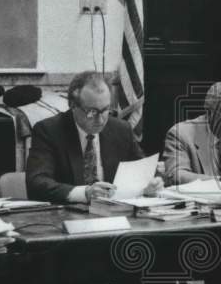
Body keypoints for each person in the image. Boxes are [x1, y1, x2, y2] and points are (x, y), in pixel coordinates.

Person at [26, 71, 163, 203]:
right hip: (68, 214)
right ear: (73, 106)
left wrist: (152, 183)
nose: (100, 119)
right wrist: (84, 193)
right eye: (92, 112)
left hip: (113, 214)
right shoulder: (49, 131)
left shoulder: (121, 129)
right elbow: (37, 183)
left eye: (105, 110)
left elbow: (142, 170)